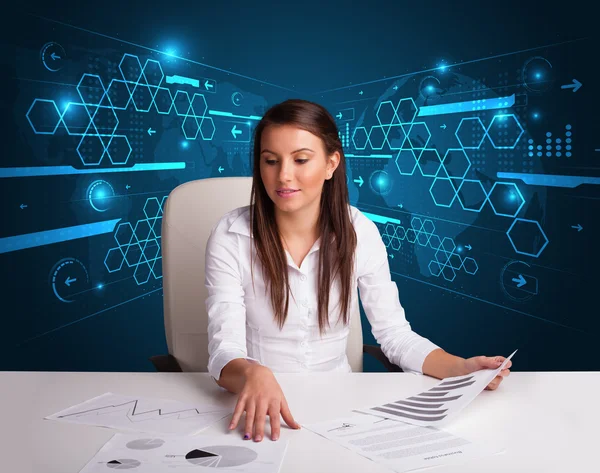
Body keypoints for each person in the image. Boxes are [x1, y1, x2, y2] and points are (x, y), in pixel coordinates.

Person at [204, 99, 511, 444]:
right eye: (270, 161)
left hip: (338, 410)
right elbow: (223, 350)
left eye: (301, 160)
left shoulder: (360, 232)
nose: (283, 175)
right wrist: (251, 373)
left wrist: (461, 369)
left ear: (331, 163)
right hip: (254, 409)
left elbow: (394, 335)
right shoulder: (231, 235)